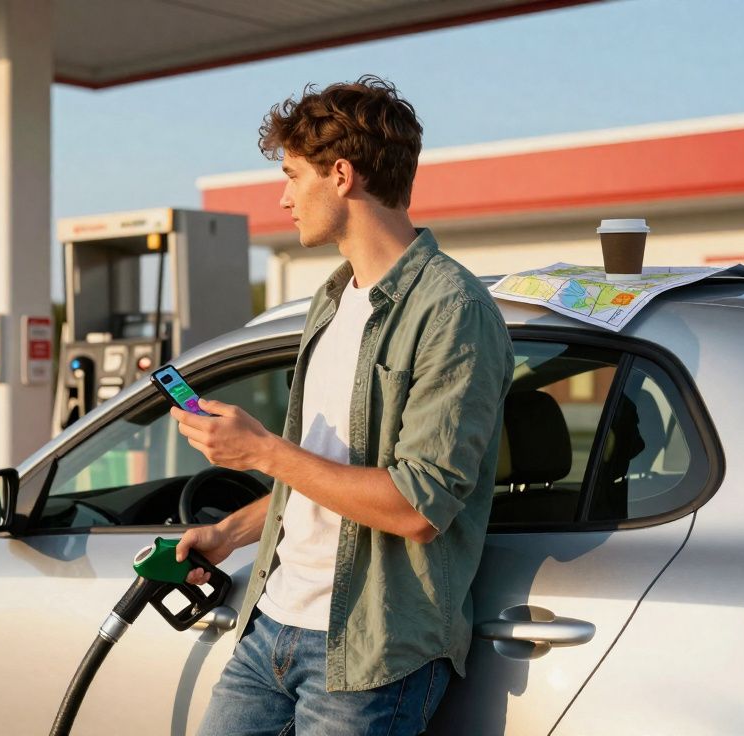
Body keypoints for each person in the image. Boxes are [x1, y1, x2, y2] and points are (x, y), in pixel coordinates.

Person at [170, 76, 515, 735]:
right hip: (271, 625)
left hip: (369, 655)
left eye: (291, 176)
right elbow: (322, 477)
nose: (283, 198)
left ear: (341, 175)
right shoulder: (332, 301)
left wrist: (262, 451)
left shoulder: (453, 310)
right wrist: (228, 534)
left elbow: (417, 508)